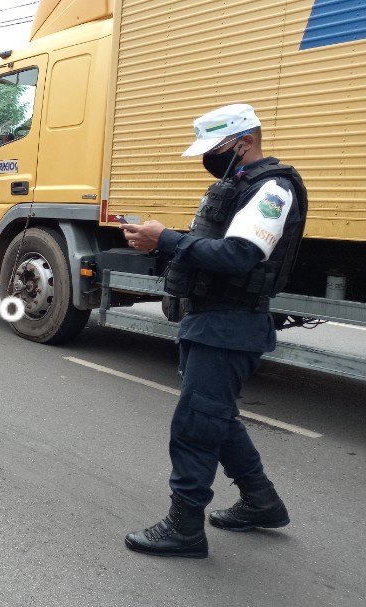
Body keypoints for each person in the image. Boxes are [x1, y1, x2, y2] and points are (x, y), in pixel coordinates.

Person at [121, 103, 307, 558]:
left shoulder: (273, 189)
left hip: (231, 323)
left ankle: (184, 528)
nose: (208, 158)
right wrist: (162, 241)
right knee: (216, 417)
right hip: (212, 321)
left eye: (214, 148)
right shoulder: (241, 185)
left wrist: (165, 238)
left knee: (196, 425)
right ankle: (261, 501)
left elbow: (240, 255)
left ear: (243, 141)